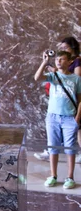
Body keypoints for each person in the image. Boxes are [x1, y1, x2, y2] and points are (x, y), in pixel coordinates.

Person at [34, 50, 81, 189]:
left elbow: (80, 100)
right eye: (57, 60)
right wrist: (44, 62)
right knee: (52, 147)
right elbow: (37, 78)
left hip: (69, 118)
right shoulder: (53, 76)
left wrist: (77, 118)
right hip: (52, 117)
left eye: (62, 59)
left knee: (70, 148)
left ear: (69, 62)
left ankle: (70, 177)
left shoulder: (76, 79)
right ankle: (53, 175)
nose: (58, 62)